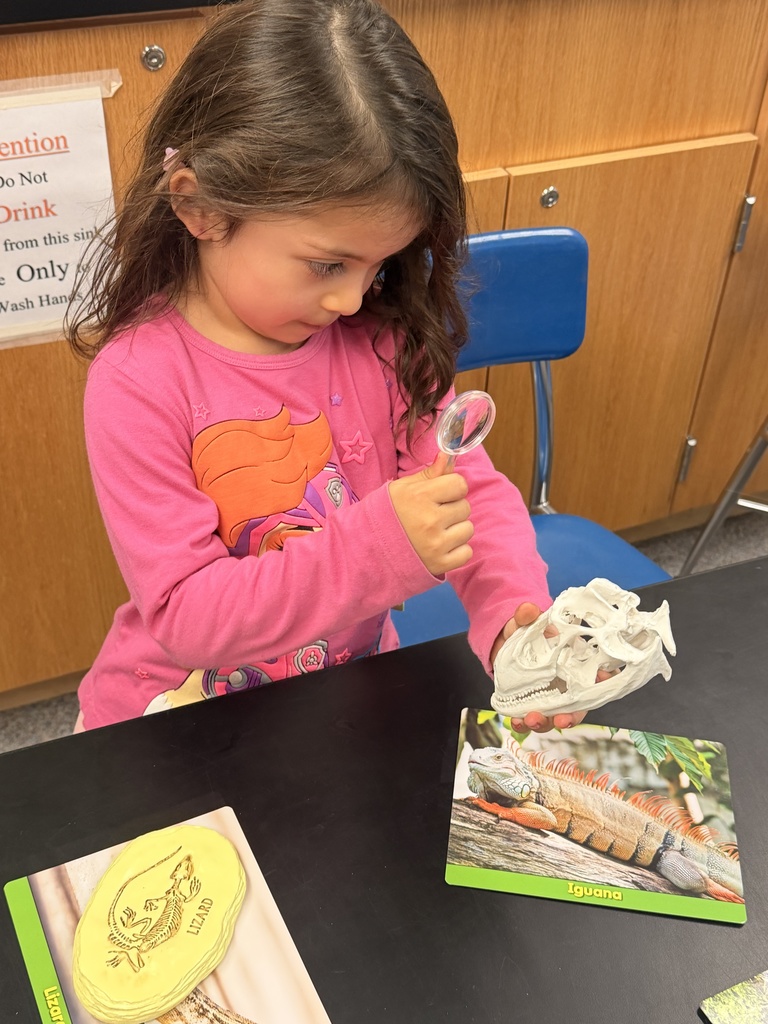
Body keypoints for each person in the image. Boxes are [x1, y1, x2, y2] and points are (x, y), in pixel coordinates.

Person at [67, 0, 579, 734]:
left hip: (341, 705)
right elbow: (186, 614)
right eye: (326, 264)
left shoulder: (381, 338)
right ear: (201, 206)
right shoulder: (137, 379)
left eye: (379, 264)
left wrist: (511, 613)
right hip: (172, 724)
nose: (350, 297)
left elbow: (464, 489)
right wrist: (379, 546)